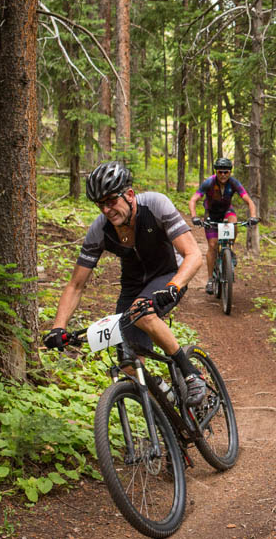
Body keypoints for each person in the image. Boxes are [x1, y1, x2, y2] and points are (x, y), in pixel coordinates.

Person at [43, 160, 208, 404]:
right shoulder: (100, 230)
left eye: (111, 201)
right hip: (132, 287)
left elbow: (193, 255)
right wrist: (58, 327)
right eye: (101, 204)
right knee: (128, 366)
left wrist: (174, 287)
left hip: (168, 275)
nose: (107, 210)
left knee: (144, 312)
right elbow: (76, 285)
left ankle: (191, 373)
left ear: (129, 195)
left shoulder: (155, 205)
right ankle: (167, 402)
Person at [188, 157, 258, 295]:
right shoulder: (209, 182)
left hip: (227, 212)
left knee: (234, 222)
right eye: (220, 172)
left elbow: (248, 200)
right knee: (213, 246)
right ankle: (209, 280)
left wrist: (253, 216)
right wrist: (194, 216)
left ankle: (229, 250)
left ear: (230, 172)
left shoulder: (233, 183)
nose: (223, 175)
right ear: (216, 172)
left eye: (226, 172)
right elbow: (193, 200)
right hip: (211, 214)